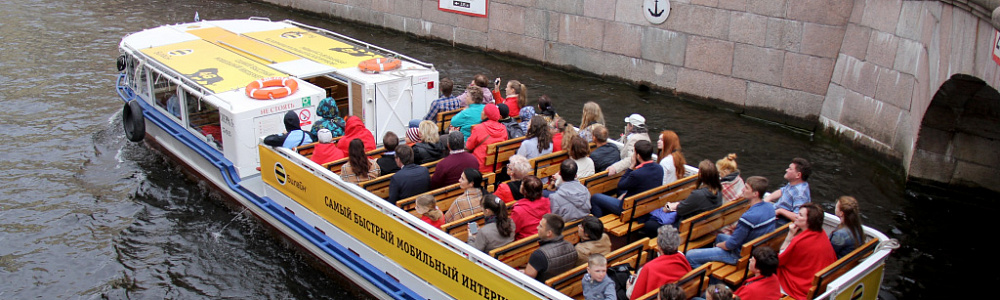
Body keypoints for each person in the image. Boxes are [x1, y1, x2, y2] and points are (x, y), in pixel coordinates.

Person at [685, 176, 775, 269]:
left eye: (747, 188)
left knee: (690, 255)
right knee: (719, 237)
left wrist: (719, 246)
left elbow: (731, 244)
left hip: (739, 255)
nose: (743, 189)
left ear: (755, 194)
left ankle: (711, 279)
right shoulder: (770, 208)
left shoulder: (748, 218)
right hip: (753, 248)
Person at [777, 203, 836, 300]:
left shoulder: (799, 240)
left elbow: (779, 260)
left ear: (809, 221)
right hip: (818, 284)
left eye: (800, 215)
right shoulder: (822, 233)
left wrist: (789, 236)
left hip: (800, 287)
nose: (796, 216)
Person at [590, 140, 663, 217]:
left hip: (629, 209)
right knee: (622, 191)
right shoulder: (659, 168)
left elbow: (621, 185)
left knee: (595, 197)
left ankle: (597, 223)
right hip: (646, 203)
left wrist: (631, 167)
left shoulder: (636, 174)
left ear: (638, 156)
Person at [628, 225, 692, 300]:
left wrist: (628, 287)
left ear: (659, 247)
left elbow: (634, 297)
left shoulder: (648, 268)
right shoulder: (682, 258)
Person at [663, 160, 723, 227]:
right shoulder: (718, 192)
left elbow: (681, 210)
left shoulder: (698, 194)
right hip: (705, 226)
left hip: (687, 227)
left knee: (652, 224)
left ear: (701, 175)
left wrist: (671, 206)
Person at [523, 214, 576, 282]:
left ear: (549, 233)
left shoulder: (539, 255)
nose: (537, 227)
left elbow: (527, 278)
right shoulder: (571, 246)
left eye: (541, 226)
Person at [764, 158, 812, 226]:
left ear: (798, 175)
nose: (786, 170)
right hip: (776, 212)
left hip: (782, 221)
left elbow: (799, 217)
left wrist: (780, 211)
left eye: (790, 169)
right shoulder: (794, 184)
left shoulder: (800, 194)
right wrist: (768, 198)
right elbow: (783, 190)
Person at [466, 104, 508, 173]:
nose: (481, 112)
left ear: (486, 115)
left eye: (483, 111)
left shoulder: (479, 128)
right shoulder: (503, 128)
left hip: (479, 166)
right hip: (496, 166)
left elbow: (469, 146)